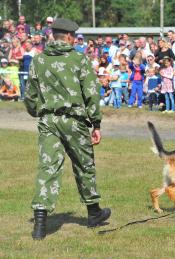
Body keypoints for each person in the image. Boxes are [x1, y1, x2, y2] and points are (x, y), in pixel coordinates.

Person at [24, 18, 111, 240]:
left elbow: (30, 96)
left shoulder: (38, 60)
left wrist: (39, 112)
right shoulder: (78, 59)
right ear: (70, 37)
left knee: (48, 167)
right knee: (84, 165)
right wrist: (96, 123)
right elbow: (92, 93)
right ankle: (93, 213)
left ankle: (40, 225)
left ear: (54, 35)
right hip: (74, 121)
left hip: (48, 121)